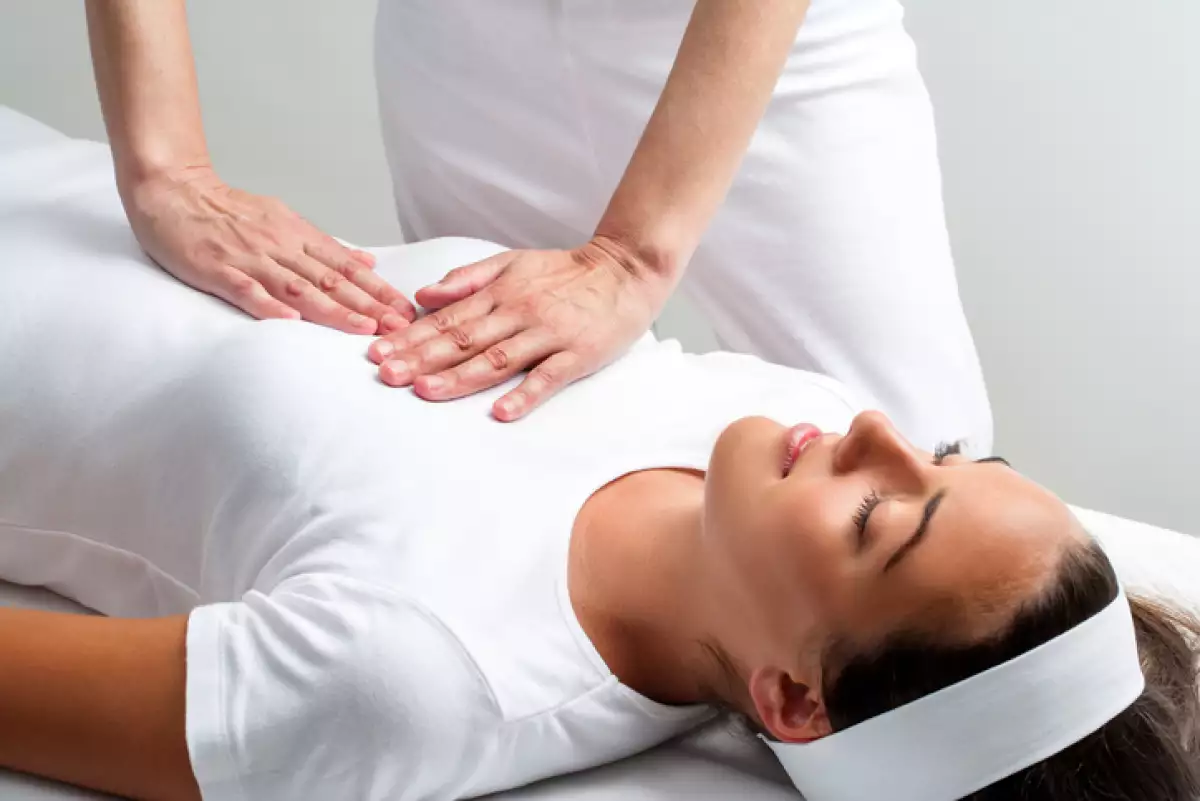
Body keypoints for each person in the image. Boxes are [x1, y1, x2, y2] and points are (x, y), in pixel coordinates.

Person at [0, 235, 1196, 801]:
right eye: (942, 457)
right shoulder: (782, 416)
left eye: (882, 517)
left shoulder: (424, 673)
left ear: (792, 697)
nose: (876, 433)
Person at [84, 0, 993, 454]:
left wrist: (632, 256)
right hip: (467, 33)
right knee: (477, 413)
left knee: (918, 449)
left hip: (755, 34)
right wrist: (167, 168)